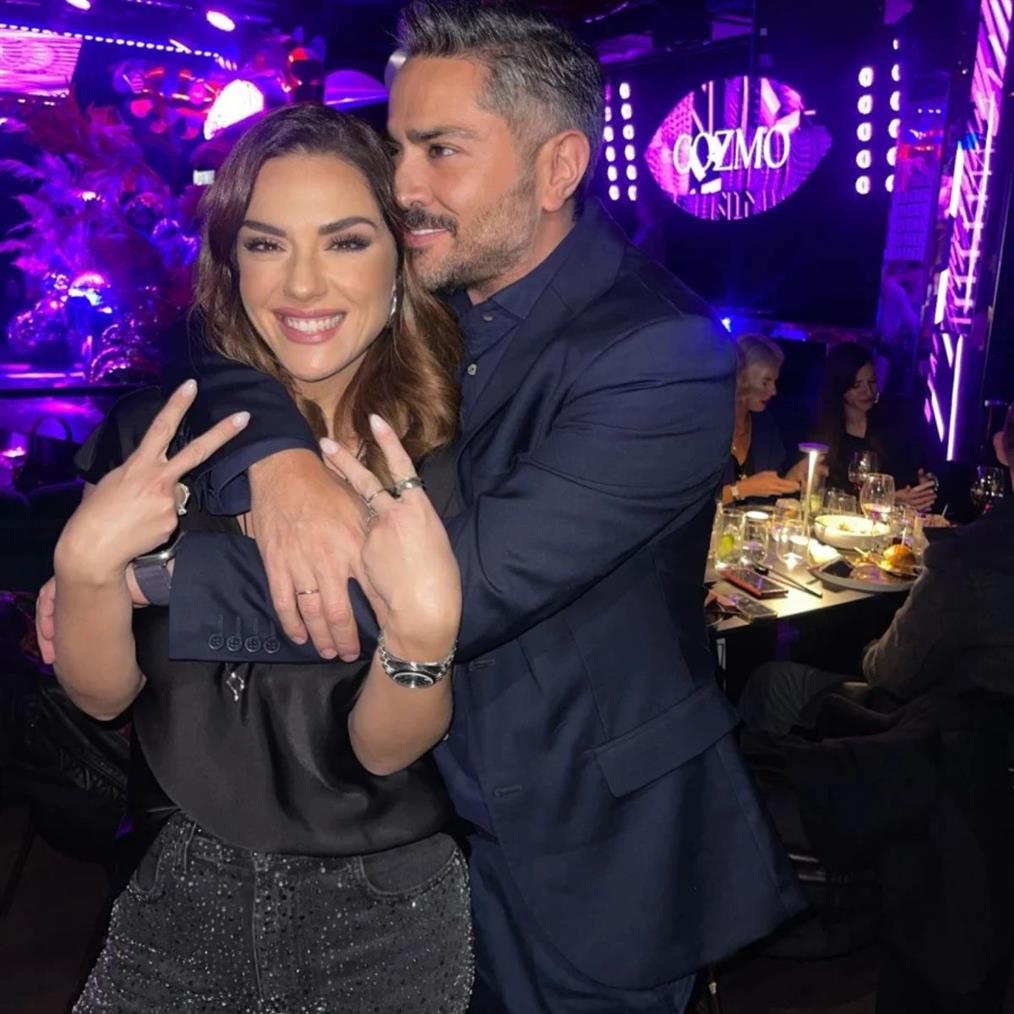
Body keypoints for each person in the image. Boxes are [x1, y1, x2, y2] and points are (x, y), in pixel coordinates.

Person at [114, 5, 805, 1011]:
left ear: (558, 168)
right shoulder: (428, 291)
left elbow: (447, 592)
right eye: (398, 147)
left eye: (441, 150)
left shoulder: (657, 353)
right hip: (415, 825)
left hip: (588, 844)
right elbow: (228, 336)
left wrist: (145, 581)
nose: (403, 185)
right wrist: (277, 460)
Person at [44, 105, 473, 1013]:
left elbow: (383, 750)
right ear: (231, 265)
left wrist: (421, 637)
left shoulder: (446, 452)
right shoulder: (158, 436)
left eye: (346, 242)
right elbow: (103, 695)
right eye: (267, 245)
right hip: (176, 880)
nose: (303, 284)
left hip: (388, 900)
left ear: (400, 260)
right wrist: (85, 569)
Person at [739, 401, 1014, 737]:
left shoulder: (962, 558)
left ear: (1001, 448)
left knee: (770, 683)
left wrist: (868, 648)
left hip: (936, 735)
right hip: (989, 738)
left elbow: (887, 673)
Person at [816, 341, 937, 509]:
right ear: (840, 387)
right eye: (857, 385)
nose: (868, 391)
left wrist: (923, 483)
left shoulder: (895, 421)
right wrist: (885, 499)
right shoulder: (827, 433)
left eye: (872, 382)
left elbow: (919, 470)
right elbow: (829, 495)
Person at [721, 334, 806, 505]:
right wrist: (743, 489)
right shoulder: (708, 427)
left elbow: (765, 498)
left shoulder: (765, 426)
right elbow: (692, 503)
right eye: (766, 382)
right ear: (740, 380)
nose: (774, 391)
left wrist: (790, 479)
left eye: (774, 382)